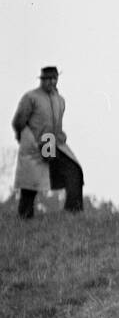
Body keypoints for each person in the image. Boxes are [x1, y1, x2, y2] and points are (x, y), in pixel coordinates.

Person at [11, 66, 84, 218]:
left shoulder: (60, 100)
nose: (51, 82)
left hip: (53, 143)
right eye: (48, 79)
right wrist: (26, 140)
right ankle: (25, 218)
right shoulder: (30, 97)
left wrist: (60, 137)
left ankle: (73, 213)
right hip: (35, 144)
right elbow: (19, 121)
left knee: (74, 171)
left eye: (54, 79)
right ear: (42, 80)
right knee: (30, 183)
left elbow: (57, 124)